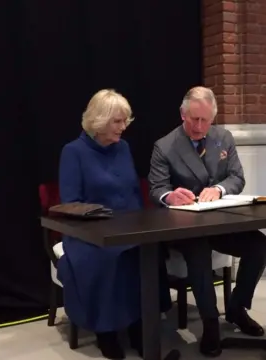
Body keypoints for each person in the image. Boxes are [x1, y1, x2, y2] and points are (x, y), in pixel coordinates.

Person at [148, 86, 266, 357]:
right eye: (194, 119)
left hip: (220, 222)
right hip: (184, 227)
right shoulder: (165, 146)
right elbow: (156, 188)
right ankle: (210, 321)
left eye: (205, 120)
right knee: (198, 251)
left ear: (213, 117)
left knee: (260, 245)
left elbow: (237, 177)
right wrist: (171, 196)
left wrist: (220, 189)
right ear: (182, 114)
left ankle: (237, 308)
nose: (199, 126)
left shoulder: (223, 137)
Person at [57, 89, 171, 359]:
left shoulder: (123, 148)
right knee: (109, 259)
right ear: (98, 121)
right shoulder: (73, 152)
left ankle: (139, 327)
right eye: (117, 122)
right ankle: (106, 331)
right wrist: (104, 223)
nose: (123, 128)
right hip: (90, 233)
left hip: (128, 227)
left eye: (125, 121)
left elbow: (132, 194)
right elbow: (71, 203)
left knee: (148, 252)